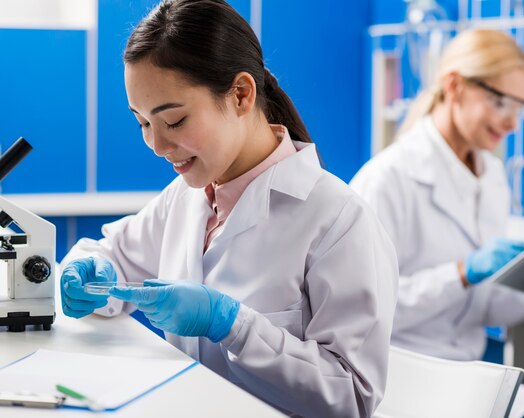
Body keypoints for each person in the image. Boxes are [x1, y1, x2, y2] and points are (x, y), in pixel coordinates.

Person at [59, 1, 398, 417]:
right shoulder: (184, 198)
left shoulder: (339, 221)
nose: (157, 146)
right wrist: (91, 272)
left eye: (175, 120)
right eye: (143, 123)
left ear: (240, 94)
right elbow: (111, 255)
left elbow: (352, 398)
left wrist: (233, 325)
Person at [350, 29, 524, 418]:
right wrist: (462, 273)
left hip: (468, 373)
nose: (512, 123)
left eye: (520, 109)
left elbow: (487, 309)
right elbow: (366, 314)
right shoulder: (386, 179)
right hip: (398, 376)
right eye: (500, 103)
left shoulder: (491, 177)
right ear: (455, 86)